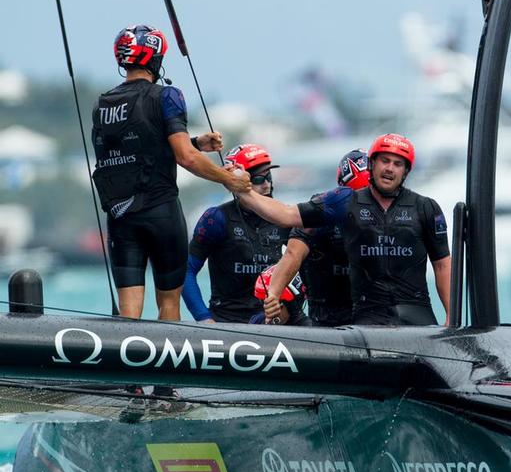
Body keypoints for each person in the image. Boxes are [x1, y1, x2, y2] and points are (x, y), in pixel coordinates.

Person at [91, 24, 250, 322]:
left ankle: (128, 367)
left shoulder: (102, 104)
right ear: (156, 59)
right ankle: (166, 369)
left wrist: (196, 142)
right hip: (160, 212)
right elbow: (185, 159)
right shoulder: (167, 96)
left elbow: (140, 148)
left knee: (128, 313)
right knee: (168, 304)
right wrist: (230, 179)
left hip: (120, 217)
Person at [239, 133, 451, 326]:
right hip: (342, 319)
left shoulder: (423, 207)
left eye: (397, 164)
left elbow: (442, 264)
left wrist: (451, 316)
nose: (389, 168)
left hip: (401, 316)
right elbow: (290, 233)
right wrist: (273, 296)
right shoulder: (339, 202)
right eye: (384, 161)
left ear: (405, 171)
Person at [183, 144, 292, 323]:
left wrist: (291, 309)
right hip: (226, 322)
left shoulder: (285, 217)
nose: (266, 185)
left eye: (269, 177)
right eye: (258, 179)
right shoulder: (215, 218)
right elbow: (186, 270)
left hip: (270, 321)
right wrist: (203, 318)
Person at [263, 149, 370, 327]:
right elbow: (292, 254)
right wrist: (273, 295)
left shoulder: (392, 213)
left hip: (372, 320)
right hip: (325, 321)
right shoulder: (325, 208)